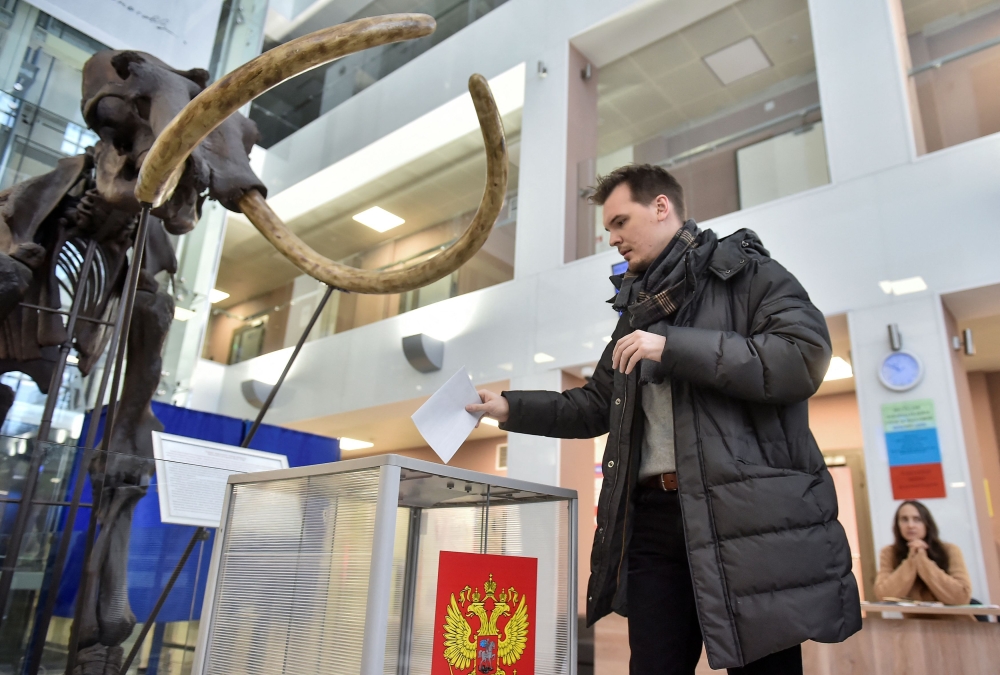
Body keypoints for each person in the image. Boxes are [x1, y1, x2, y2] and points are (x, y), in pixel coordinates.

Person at [467, 164, 861, 674]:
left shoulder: (750, 274)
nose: (612, 239)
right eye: (607, 229)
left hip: (745, 516)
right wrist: (507, 406)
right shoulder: (638, 312)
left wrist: (672, 346)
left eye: (619, 222)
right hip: (654, 520)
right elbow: (595, 404)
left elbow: (801, 357)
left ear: (660, 207)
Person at [873, 500, 972, 607]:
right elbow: (883, 595)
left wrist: (922, 560)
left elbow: (962, 597)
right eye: (904, 519)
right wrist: (911, 560)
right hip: (915, 618)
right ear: (898, 525)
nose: (910, 525)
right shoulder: (890, 552)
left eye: (917, 519)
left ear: (927, 524)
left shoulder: (950, 550)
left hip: (953, 618)